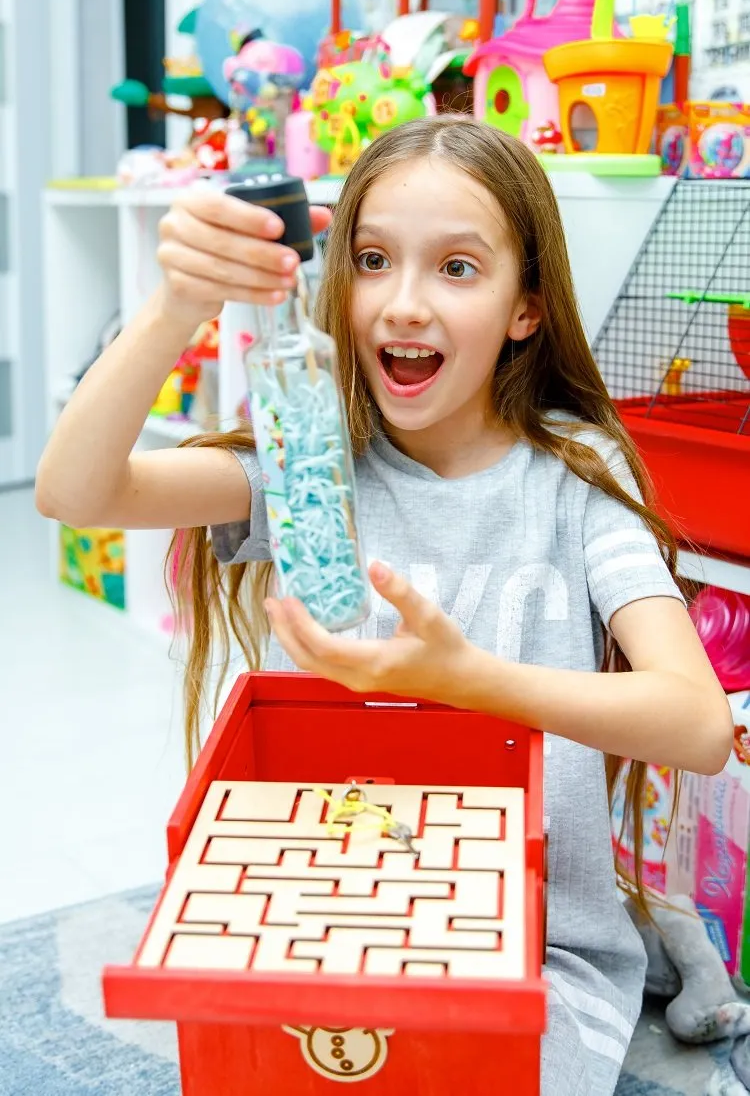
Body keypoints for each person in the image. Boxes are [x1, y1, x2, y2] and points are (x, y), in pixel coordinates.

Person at [36, 116, 731, 1095]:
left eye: (457, 267)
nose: (404, 303)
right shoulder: (311, 462)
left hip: (532, 950)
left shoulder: (576, 477)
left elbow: (698, 724)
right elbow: (75, 491)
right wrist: (177, 305)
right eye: (372, 260)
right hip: (323, 926)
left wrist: (468, 680)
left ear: (526, 307)